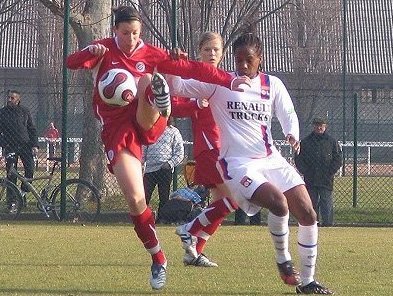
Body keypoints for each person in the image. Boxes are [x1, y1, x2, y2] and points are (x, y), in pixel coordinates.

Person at [65, 5, 249, 290]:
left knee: (149, 79)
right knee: (137, 200)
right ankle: (158, 258)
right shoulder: (104, 48)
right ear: (115, 31)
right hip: (118, 131)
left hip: (148, 120)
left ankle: (158, 98)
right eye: (125, 33)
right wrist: (90, 53)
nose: (130, 39)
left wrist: (231, 79)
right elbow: (71, 62)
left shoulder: (148, 52)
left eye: (135, 33)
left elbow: (191, 68)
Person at [168, 32, 334, 294]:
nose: (243, 66)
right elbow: (178, 87)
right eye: (238, 60)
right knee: (278, 203)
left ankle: (309, 281)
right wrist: (175, 66)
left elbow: (287, 112)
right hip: (237, 164)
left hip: (270, 159)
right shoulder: (220, 82)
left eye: (249, 60)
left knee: (309, 213)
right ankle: (283, 261)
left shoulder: (272, 84)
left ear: (260, 59)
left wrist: (292, 132)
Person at [171, 32, 240, 268]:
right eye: (207, 49)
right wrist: (194, 103)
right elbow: (172, 104)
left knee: (220, 205)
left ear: (222, 53)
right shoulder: (195, 79)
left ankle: (194, 253)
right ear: (199, 51)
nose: (212, 54)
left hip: (226, 149)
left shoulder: (225, 78)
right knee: (235, 197)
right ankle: (188, 229)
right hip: (210, 149)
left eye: (216, 50)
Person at [295, 117, 342, 227]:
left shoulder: (332, 141)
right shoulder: (306, 142)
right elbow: (298, 158)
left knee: (326, 201)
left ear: (325, 126)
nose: (319, 127)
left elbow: (338, 158)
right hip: (311, 177)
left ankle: (327, 223)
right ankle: (312, 222)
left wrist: (331, 171)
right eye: (317, 125)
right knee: (312, 201)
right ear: (313, 126)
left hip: (326, 177)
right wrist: (305, 171)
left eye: (321, 125)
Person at [0, 90, 39, 210]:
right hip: (10, 146)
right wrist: (3, 144)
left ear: (18, 99)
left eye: (12, 98)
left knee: (30, 169)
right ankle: (11, 202)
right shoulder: (2, 113)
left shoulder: (25, 111)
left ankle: (22, 193)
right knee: (11, 174)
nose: (9, 100)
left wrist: (35, 145)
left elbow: (32, 129)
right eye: (8, 98)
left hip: (25, 146)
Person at [142, 118, 184, 222]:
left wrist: (169, 164)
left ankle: (162, 219)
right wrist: (141, 163)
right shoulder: (150, 130)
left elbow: (179, 153)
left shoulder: (173, 131)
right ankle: (142, 218)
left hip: (164, 169)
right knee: (144, 195)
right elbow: (143, 149)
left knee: (164, 196)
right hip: (150, 169)